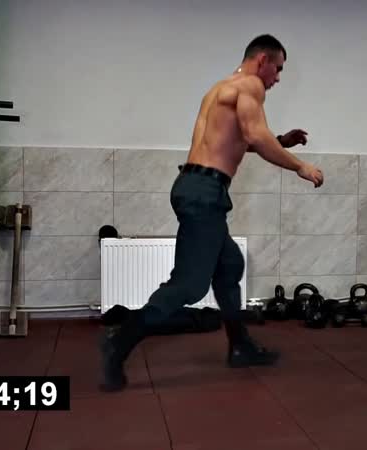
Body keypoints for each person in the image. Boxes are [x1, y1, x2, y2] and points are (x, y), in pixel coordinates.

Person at [99, 34, 324, 392]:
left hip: (196, 187)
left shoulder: (221, 88)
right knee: (189, 285)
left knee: (230, 265)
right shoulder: (251, 85)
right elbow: (255, 135)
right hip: (204, 193)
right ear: (262, 60)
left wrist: (280, 140)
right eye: (278, 69)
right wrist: (300, 166)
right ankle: (120, 341)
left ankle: (240, 346)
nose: (278, 78)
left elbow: (235, 140)